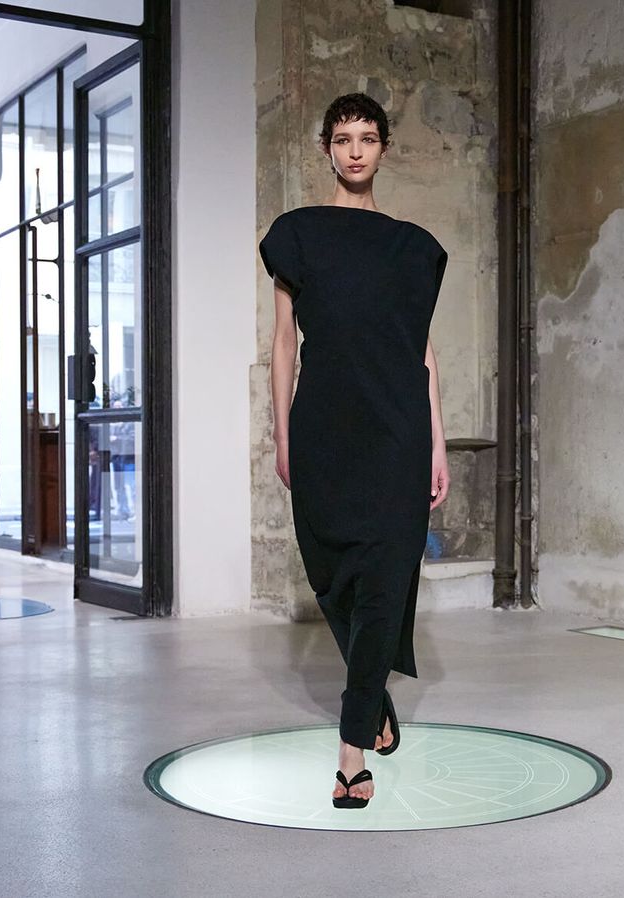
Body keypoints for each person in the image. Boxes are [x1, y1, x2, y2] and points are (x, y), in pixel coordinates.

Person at [259, 93, 449, 809]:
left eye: (368, 137)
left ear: (385, 148)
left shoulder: (413, 248)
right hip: (325, 429)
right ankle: (375, 700)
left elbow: (422, 353)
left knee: (387, 575)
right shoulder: (298, 234)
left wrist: (437, 442)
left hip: (398, 430)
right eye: (343, 139)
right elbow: (283, 343)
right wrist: (282, 433)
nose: (356, 150)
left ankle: (351, 747)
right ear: (326, 149)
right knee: (332, 572)